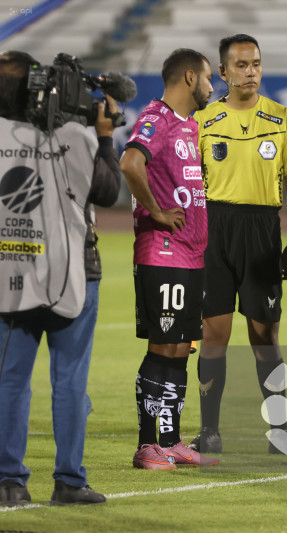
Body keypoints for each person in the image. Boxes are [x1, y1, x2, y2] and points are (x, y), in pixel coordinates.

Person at [0, 51, 120, 506]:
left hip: (11, 271)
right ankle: (69, 481)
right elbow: (108, 191)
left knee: (10, 380)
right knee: (69, 380)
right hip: (73, 273)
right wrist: (104, 137)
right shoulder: (74, 135)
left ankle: (9, 482)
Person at [189, 34, 287, 456]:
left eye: (256, 63)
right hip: (214, 229)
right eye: (241, 65)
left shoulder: (281, 117)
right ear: (222, 72)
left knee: (265, 336)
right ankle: (209, 432)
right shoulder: (203, 119)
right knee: (213, 333)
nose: (250, 71)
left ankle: (280, 431)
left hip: (261, 230)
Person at [120, 48, 218, 469]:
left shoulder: (189, 126)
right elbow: (129, 163)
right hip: (163, 253)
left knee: (180, 348)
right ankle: (147, 444)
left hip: (190, 257)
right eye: (210, 78)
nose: (215, 86)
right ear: (190, 78)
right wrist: (156, 212)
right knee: (162, 346)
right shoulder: (156, 118)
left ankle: (172, 440)